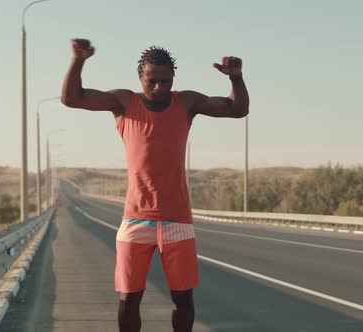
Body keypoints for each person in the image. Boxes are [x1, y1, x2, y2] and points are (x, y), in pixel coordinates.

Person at [61, 39, 249, 332]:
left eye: (166, 81)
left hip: (177, 219)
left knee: (183, 299)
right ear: (141, 77)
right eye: (153, 81)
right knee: (129, 298)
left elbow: (237, 110)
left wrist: (236, 78)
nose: (159, 87)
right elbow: (72, 99)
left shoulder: (185, 102)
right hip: (135, 218)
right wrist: (78, 60)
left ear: (173, 78)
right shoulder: (124, 102)